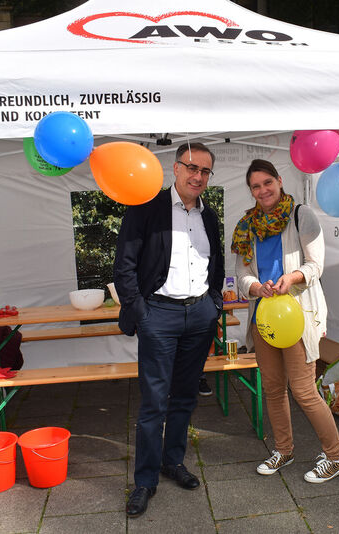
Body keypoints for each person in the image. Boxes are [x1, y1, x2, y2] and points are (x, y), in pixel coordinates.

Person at [114, 142, 224, 518]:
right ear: (175, 168)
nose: (198, 176)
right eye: (192, 167)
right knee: (154, 403)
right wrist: (142, 313)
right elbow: (124, 266)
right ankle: (144, 481)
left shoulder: (210, 216)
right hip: (158, 315)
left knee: (185, 398)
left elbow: (216, 264)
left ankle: (172, 462)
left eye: (205, 171)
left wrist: (214, 304)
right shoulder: (146, 207)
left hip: (200, 316)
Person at [232, 159, 339, 483]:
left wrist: (292, 277)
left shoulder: (301, 215)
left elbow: (315, 265)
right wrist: (256, 287)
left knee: (304, 391)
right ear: (251, 191)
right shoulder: (247, 225)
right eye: (256, 186)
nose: (263, 190)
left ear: (280, 181)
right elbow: (242, 273)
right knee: (272, 389)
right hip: (263, 319)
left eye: (267, 182)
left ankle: (336, 456)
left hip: (297, 318)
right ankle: (283, 450)